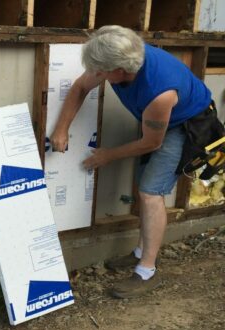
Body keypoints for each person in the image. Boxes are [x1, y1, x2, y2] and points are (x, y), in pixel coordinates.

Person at [50, 25, 215, 298]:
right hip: (158, 124)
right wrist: (61, 128)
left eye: (101, 72)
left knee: (151, 192)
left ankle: (146, 271)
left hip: (186, 125)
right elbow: (80, 87)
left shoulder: (160, 93)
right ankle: (140, 251)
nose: (96, 75)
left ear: (120, 71)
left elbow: (152, 143)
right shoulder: (117, 52)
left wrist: (107, 155)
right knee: (144, 184)